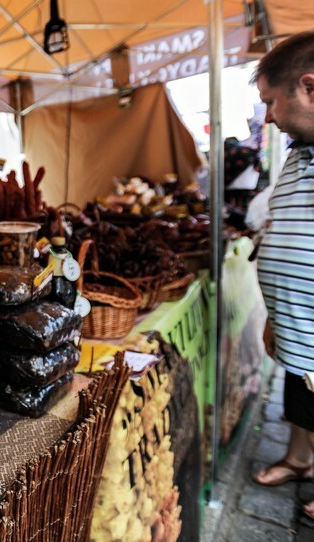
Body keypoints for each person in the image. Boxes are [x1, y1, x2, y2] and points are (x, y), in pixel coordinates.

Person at [250, 30, 314, 520]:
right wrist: (279, 314)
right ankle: (299, 460)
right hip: (297, 323)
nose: (268, 116)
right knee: (299, 393)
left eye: (271, 101)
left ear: (309, 88)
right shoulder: (297, 152)